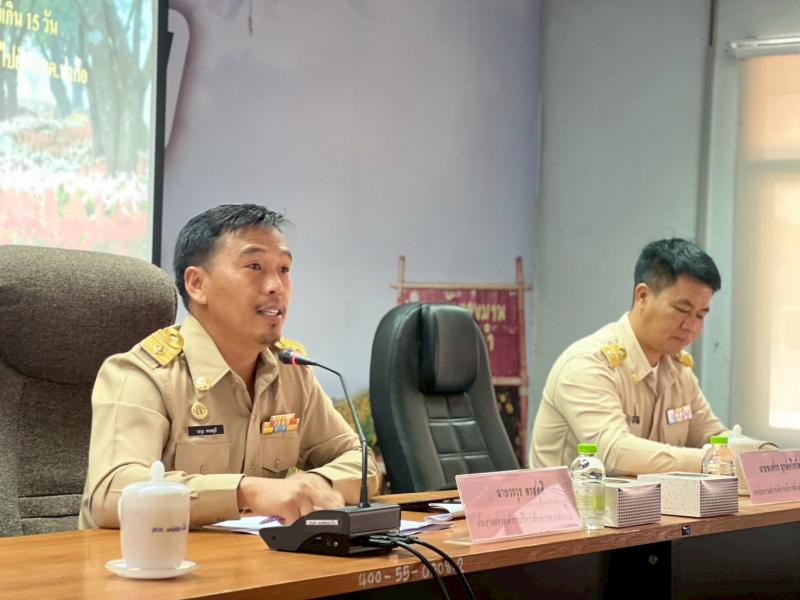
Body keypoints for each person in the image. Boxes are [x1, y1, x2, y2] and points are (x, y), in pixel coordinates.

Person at [79, 204, 379, 529]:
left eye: (284, 269)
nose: (276, 286)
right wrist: (247, 492)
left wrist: (315, 485)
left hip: (253, 558)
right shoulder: (143, 374)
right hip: (154, 559)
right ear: (197, 284)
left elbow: (361, 461)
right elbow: (110, 495)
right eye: (255, 266)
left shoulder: (291, 372)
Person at [530, 238, 768, 476]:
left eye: (700, 315)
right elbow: (614, 452)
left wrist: (766, 457)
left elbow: (712, 435)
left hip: (647, 500)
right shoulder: (588, 363)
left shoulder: (677, 370)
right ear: (642, 296)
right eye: (682, 310)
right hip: (575, 500)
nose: (691, 326)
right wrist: (716, 461)